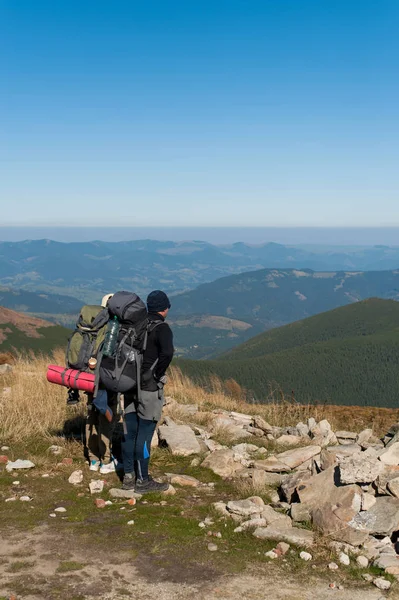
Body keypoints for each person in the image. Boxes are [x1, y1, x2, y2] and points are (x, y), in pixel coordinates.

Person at [121, 290, 174, 493]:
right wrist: (157, 374)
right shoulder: (162, 329)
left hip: (129, 385)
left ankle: (128, 477)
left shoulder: (136, 325)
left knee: (129, 433)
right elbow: (167, 353)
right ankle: (143, 481)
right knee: (144, 433)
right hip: (149, 388)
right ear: (165, 308)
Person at [85, 293, 118, 474]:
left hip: (88, 379)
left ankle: (93, 459)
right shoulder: (111, 327)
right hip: (104, 380)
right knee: (106, 414)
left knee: (91, 416)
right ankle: (106, 459)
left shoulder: (91, 325)